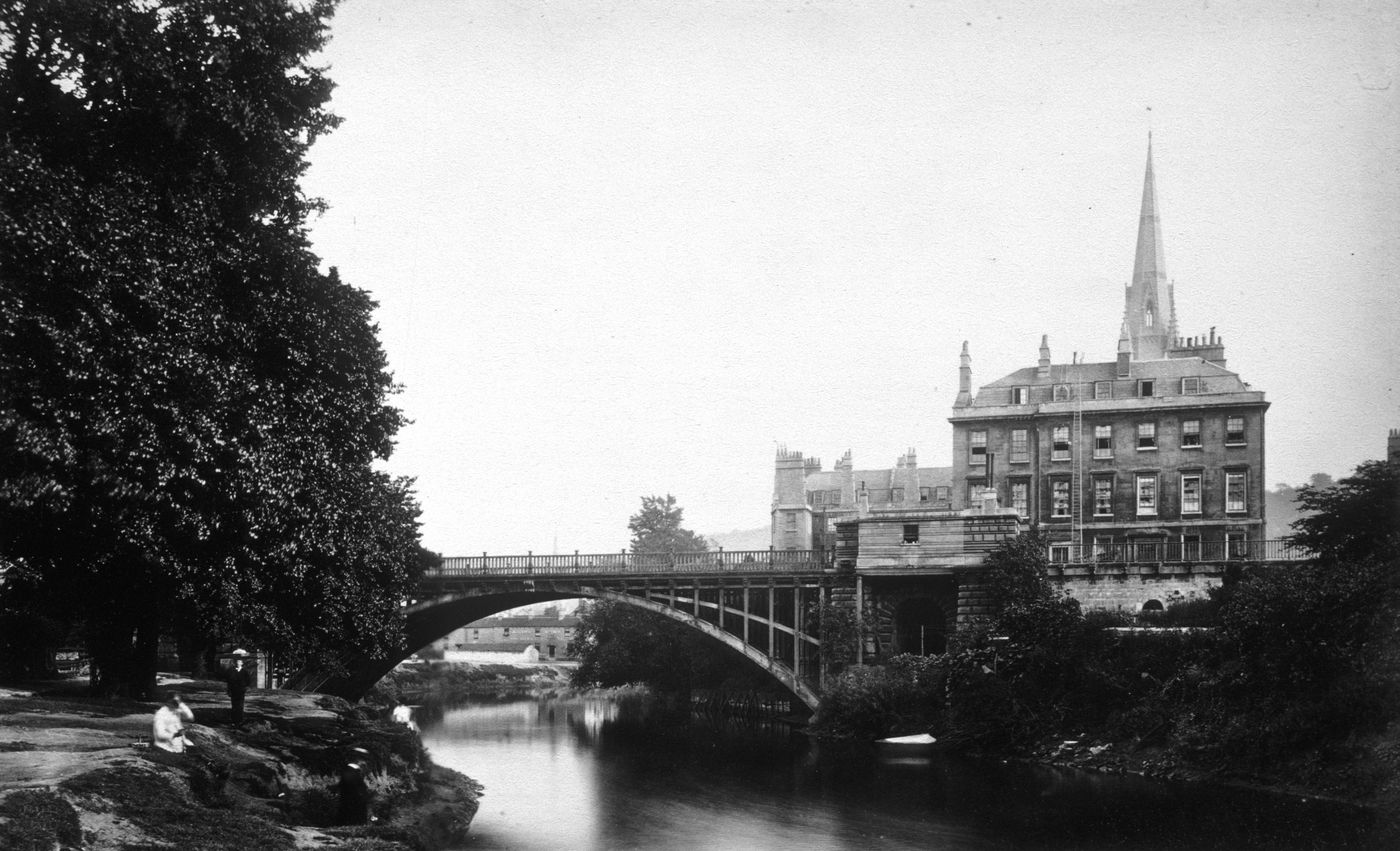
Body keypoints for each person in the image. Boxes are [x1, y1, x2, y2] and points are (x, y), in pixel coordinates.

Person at [224, 648, 254, 726]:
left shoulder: (245, 671)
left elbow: (248, 681)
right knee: (234, 705)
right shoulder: (231, 671)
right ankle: (234, 720)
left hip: (241, 690)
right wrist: (228, 690)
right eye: (236, 661)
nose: (237, 663)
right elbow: (228, 681)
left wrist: (246, 688)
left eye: (239, 661)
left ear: (242, 663)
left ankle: (239, 720)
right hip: (233, 690)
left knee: (240, 705)